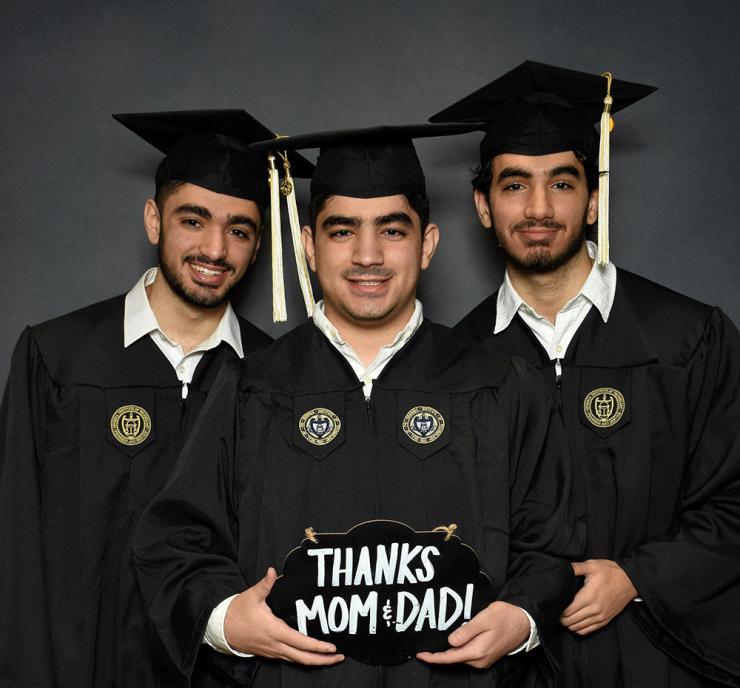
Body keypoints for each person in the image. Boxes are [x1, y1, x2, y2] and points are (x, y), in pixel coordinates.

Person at [133, 123, 581, 688]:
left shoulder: (498, 385)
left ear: (427, 244)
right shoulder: (249, 388)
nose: (368, 256)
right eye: (342, 231)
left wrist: (522, 616)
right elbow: (177, 541)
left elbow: (553, 540)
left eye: (392, 230)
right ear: (308, 246)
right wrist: (226, 621)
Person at [430, 61, 740, 686]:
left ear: (593, 199)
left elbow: (735, 499)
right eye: (514, 185)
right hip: (518, 667)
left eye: (562, 183)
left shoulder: (686, 337)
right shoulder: (453, 363)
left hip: (662, 662)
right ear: (483, 206)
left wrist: (636, 577)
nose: (538, 207)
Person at [0, 109, 313, 687]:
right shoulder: (60, 359)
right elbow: (15, 553)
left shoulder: (275, 379)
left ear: (258, 245)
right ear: (153, 220)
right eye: (193, 220)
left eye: (239, 230)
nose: (215, 248)